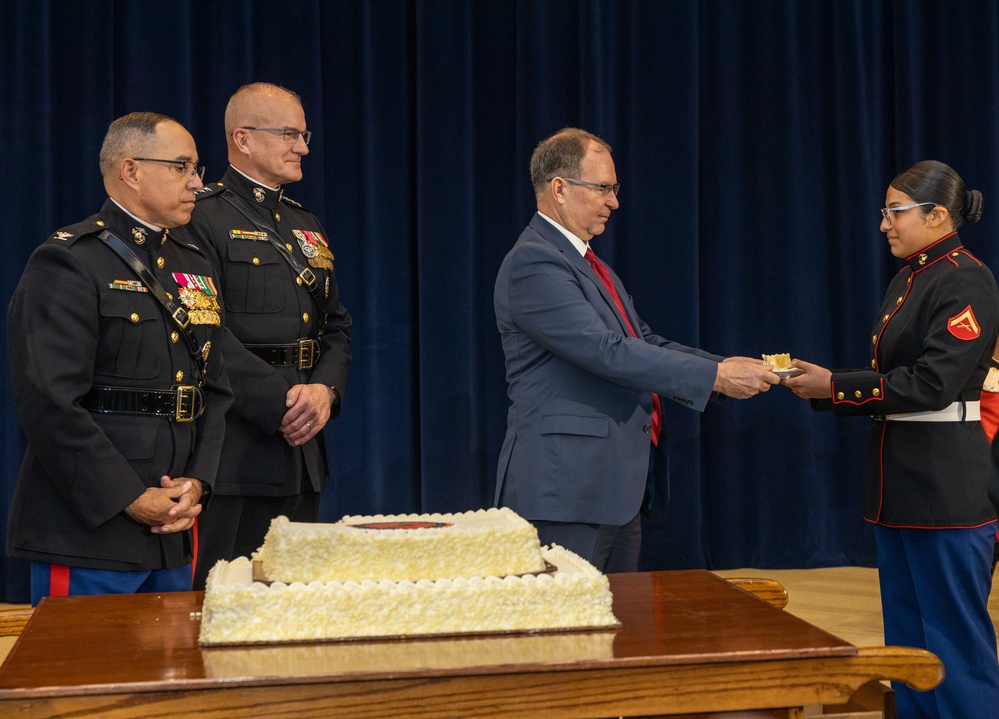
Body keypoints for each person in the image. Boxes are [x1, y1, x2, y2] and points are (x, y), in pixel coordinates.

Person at [493, 127, 779, 573]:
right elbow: (606, 351)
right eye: (603, 188)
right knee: (567, 636)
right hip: (566, 491)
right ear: (560, 189)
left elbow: (642, 342)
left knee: (613, 631)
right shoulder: (535, 261)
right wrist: (714, 378)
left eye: (615, 188)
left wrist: (723, 365)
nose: (614, 201)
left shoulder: (590, 264)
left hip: (611, 490)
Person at [785, 160, 999, 718]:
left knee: (952, 642)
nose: (884, 223)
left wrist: (837, 387)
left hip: (945, 488)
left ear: (936, 215)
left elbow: (933, 384)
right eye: (884, 211)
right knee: (909, 643)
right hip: (901, 483)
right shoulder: (911, 275)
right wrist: (828, 385)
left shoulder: (965, 278)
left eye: (895, 212)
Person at [6, 112, 231, 604]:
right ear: (131, 170)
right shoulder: (70, 260)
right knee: (83, 677)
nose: (198, 183)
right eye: (181, 167)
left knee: (169, 679)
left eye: (197, 168)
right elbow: (48, 400)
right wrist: (128, 496)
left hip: (174, 528)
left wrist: (199, 482)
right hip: (91, 528)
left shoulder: (193, 261)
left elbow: (214, 389)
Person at [182, 83, 352, 589]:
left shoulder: (305, 224)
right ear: (243, 139)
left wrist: (325, 390)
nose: (303, 146)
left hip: (302, 448)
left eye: (304, 134)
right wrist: (282, 403)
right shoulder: (200, 215)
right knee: (222, 601)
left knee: (290, 603)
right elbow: (202, 328)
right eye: (289, 134)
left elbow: (335, 325)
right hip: (237, 445)